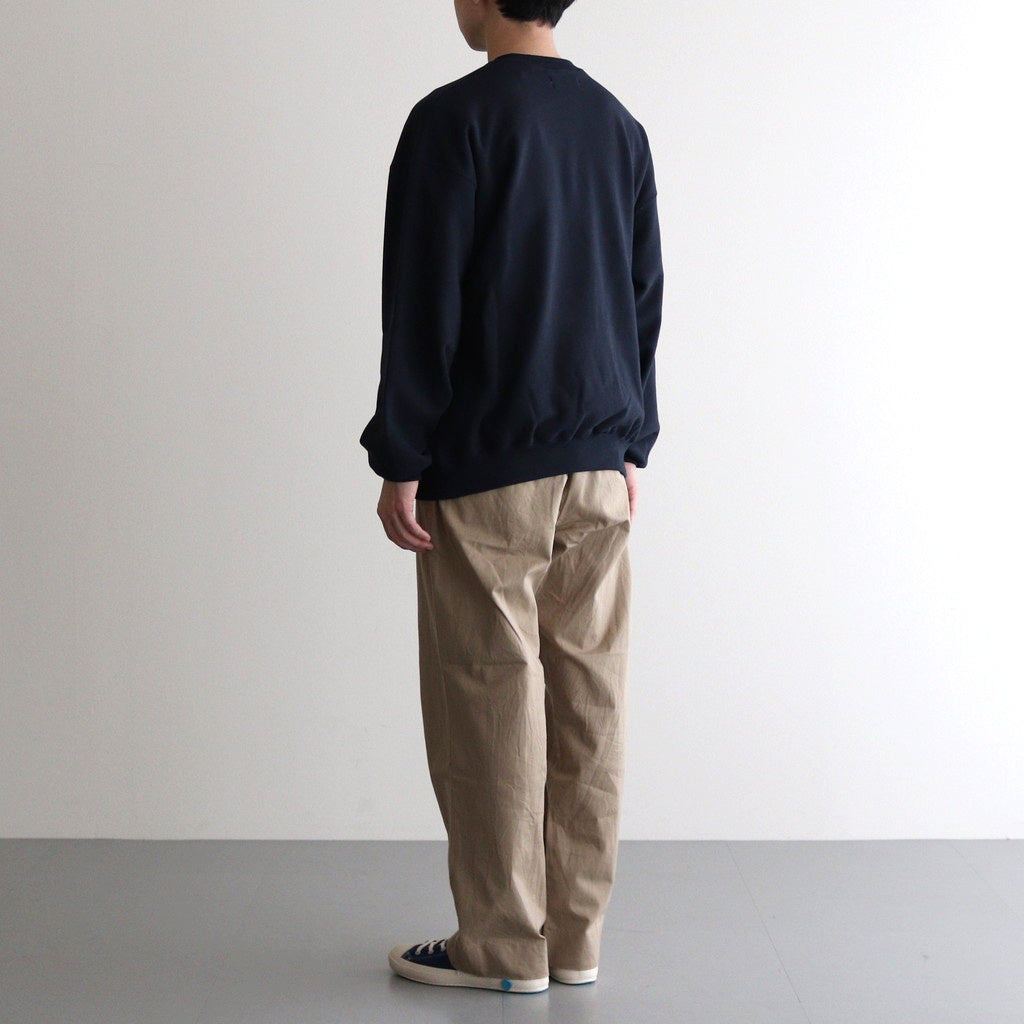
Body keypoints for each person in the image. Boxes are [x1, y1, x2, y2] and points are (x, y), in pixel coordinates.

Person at [359, 0, 663, 996]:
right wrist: (631, 443)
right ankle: (575, 939)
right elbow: (641, 296)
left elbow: (423, 300)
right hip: (599, 463)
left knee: (489, 698)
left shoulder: (453, 121)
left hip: (489, 464)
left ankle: (502, 943)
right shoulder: (617, 126)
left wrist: (402, 452)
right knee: (590, 700)